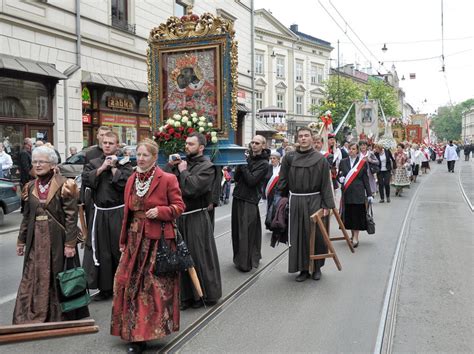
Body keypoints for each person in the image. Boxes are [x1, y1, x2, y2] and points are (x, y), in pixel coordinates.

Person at [111, 139, 184, 353]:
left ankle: (145, 334)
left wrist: (161, 212)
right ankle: (133, 332)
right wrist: (123, 240)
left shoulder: (167, 179)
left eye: (145, 155)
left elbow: (179, 206)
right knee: (126, 283)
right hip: (135, 240)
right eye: (138, 154)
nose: (140, 159)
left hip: (157, 241)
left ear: (154, 157)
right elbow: (127, 213)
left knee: (149, 288)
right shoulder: (132, 179)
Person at [13, 146, 89, 324]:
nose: (37, 165)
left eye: (41, 161)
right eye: (35, 162)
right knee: (33, 275)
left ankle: (58, 316)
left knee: (57, 273)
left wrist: (70, 244)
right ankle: (30, 314)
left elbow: (71, 218)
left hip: (57, 238)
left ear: (52, 164)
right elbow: (26, 217)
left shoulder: (65, 184)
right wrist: (21, 240)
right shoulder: (30, 186)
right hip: (36, 238)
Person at [163, 132, 222, 308]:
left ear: (201, 147)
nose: (186, 146)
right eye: (186, 143)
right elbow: (164, 183)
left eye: (191, 144)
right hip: (179, 217)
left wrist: (183, 171)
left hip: (196, 216)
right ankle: (185, 296)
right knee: (178, 257)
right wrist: (170, 166)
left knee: (198, 256)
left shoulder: (208, 166)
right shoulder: (181, 163)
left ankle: (202, 295)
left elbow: (192, 188)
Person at [278, 128, 335, 282]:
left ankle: (316, 268)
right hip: (296, 200)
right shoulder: (289, 158)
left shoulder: (320, 159)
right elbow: (282, 180)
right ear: (297, 139)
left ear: (311, 138)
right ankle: (303, 269)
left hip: (315, 200)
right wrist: (282, 198)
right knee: (299, 235)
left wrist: (326, 205)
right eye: (300, 136)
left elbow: (325, 184)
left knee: (316, 235)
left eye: (306, 136)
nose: (303, 138)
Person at [81, 131, 133, 300]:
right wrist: (102, 168)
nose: (108, 145)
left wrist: (113, 170)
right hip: (100, 213)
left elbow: (127, 184)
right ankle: (105, 289)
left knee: (119, 249)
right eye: (105, 143)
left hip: (118, 212)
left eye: (111, 143)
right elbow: (86, 181)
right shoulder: (93, 163)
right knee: (103, 251)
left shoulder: (124, 163)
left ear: (117, 145)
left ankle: (123, 286)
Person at [231, 135, 270, 272]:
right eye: (252, 142)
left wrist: (243, 165)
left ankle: (247, 261)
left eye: (257, 143)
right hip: (238, 196)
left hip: (250, 199)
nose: (254, 145)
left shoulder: (264, 164)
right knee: (237, 230)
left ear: (263, 146)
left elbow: (252, 181)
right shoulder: (247, 159)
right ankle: (239, 259)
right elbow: (236, 178)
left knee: (247, 231)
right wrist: (240, 166)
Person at [338, 143, 373, 248]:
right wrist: (340, 178)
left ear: (357, 151)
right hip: (347, 192)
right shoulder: (343, 162)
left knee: (357, 215)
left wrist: (369, 194)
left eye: (353, 149)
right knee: (350, 215)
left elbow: (365, 179)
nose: (351, 151)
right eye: (350, 149)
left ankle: (356, 238)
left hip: (358, 193)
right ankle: (352, 235)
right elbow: (340, 174)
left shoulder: (362, 163)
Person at [19, 138, 34, 213]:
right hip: (26, 177)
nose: (31, 145)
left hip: (28, 177)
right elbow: (26, 167)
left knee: (27, 192)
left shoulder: (28, 152)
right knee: (25, 192)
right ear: (27, 144)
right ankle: (24, 208)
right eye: (30, 143)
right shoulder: (24, 153)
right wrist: (30, 175)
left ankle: (26, 208)